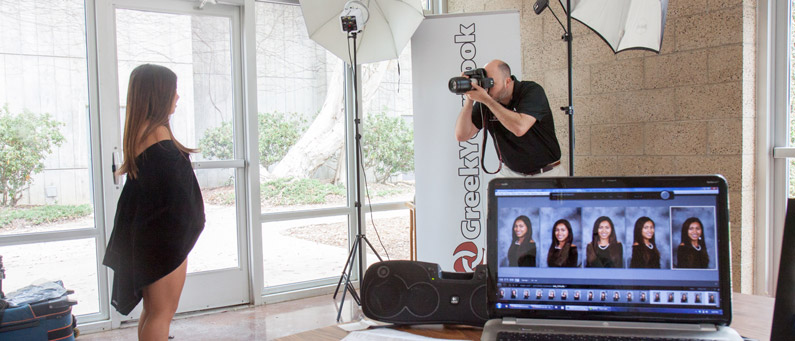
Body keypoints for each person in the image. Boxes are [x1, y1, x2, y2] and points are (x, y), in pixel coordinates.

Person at [102, 64, 206, 340]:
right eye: (173, 91)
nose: (177, 97)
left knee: (153, 311)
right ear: (158, 95)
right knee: (161, 314)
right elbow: (174, 197)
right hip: (163, 241)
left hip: (153, 238)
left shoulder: (143, 132)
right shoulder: (157, 137)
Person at [454, 60, 563, 177]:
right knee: (492, 192)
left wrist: (487, 100)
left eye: (491, 83)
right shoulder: (487, 99)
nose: (487, 88)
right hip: (510, 173)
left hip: (546, 173)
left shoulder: (531, 91)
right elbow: (462, 135)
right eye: (485, 82)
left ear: (507, 82)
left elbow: (519, 128)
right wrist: (469, 100)